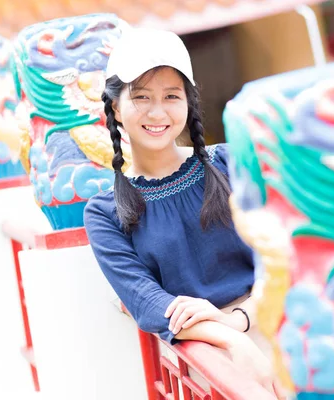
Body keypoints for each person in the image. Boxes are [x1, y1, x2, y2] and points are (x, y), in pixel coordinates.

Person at [83, 27, 285, 399]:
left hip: (277, 329)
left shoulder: (230, 163)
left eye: (171, 96)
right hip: (204, 364)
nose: (157, 112)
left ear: (189, 102)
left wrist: (239, 321)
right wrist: (233, 341)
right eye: (141, 97)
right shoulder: (104, 212)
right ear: (114, 107)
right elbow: (147, 303)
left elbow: (277, 257)